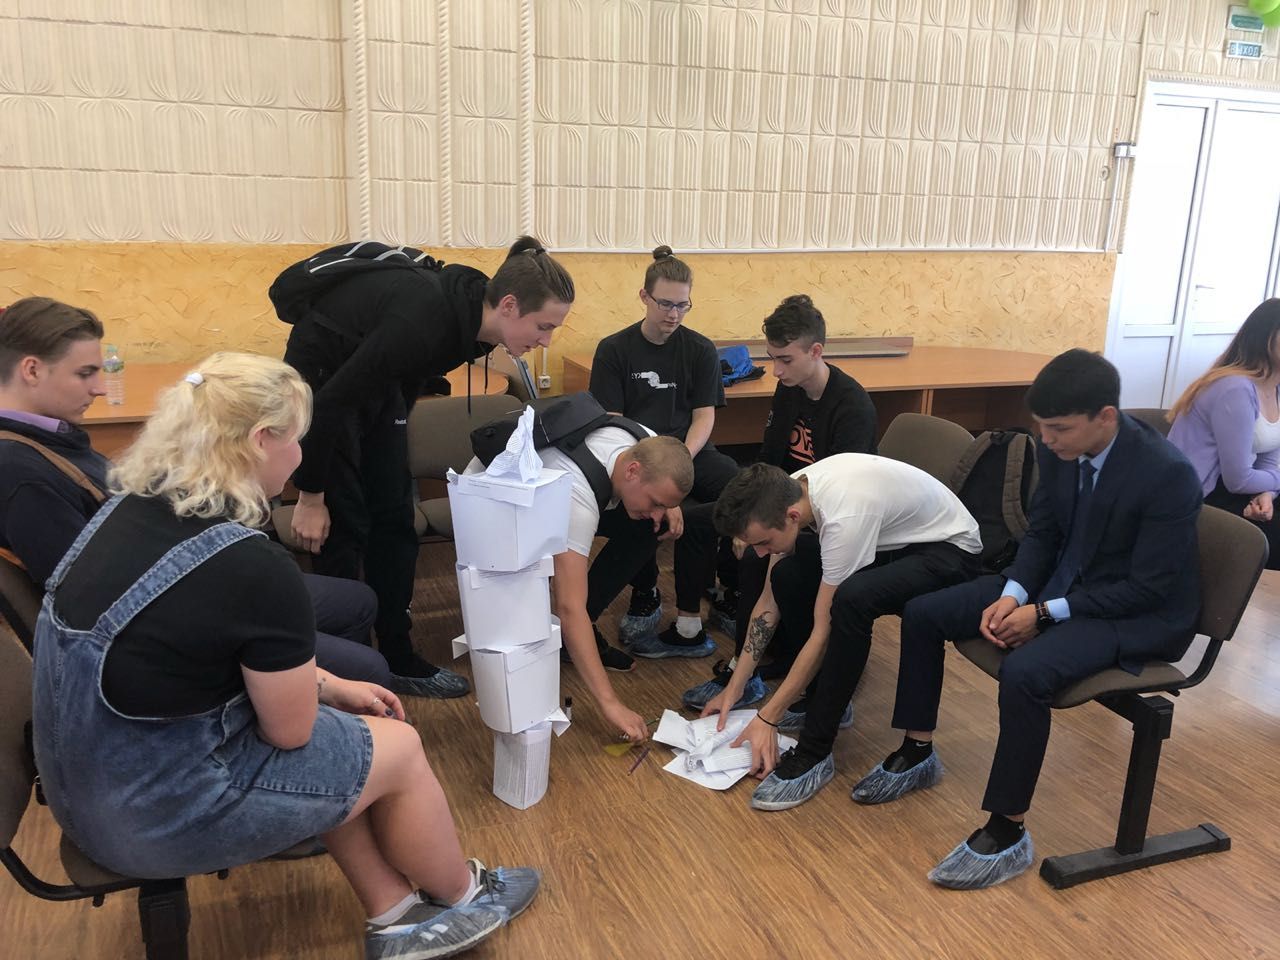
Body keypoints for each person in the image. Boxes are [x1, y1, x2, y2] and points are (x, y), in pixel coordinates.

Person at [32, 353, 541, 960]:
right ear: (259, 440)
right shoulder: (251, 564)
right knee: (398, 747)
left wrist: (327, 684)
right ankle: (463, 894)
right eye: (297, 440)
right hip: (154, 817)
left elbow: (194, 658)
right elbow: (291, 732)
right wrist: (323, 694)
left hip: (84, 790)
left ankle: (396, 914)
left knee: (346, 732)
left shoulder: (127, 509)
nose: (301, 457)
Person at [851, 350, 1201, 890]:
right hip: (1061, 583)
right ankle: (918, 749)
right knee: (924, 613)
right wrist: (1015, 592)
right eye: (1043, 428)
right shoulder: (1060, 445)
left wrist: (1043, 612)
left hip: (1136, 613)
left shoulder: (1167, 474)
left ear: (1106, 417)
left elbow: (1148, 587)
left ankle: (1007, 828)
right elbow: (1043, 533)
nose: (1048, 440)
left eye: (1060, 429)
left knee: (1026, 673)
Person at [0, 297, 408, 692]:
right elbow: (88, 599)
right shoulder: (21, 472)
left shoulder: (53, 439)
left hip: (175, 583)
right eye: (85, 373)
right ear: (32, 370)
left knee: (357, 600)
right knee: (366, 667)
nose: (101, 388)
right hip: (157, 623)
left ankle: (313, 706)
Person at [273, 237, 576, 697]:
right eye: (543, 326)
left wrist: (386, 433)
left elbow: (406, 375)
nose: (546, 340)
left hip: (379, 382)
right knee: (346, 526)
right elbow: (330, 404)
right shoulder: (424, 320)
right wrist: (311, 496)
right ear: (509, 305)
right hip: (326, 380)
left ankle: (397, 654)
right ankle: (348, 670)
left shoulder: (472, 320)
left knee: (396, 521)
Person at [702, 454, 982, 811]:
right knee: (785, 575)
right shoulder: (784, 493)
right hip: (897, 540)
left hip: (951, 549)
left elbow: (824, 633)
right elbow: (767, 604)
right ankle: (822, 698)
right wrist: (735, 687)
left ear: (792, 517)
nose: (759, 551)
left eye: (763, 542)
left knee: (850, 603)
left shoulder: (844, 517)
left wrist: (768, 716)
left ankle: (815, 751)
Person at [681, 294, 878, 711]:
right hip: (784, 506)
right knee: (700, 523)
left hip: (827, 520)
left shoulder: (852, 405)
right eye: (772, 359)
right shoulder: (789, 389)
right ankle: (728, 647)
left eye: (785, 359)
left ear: (816, 351)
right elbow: (769, 459)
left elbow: (839, 492)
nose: (777, 370)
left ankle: (751, 671)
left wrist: (760, 529)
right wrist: (749, 518)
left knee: (759, 559)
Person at [468, 430, 693, 740]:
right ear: (632, 470)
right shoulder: (575, 499)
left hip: (556, 488)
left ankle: (580, 634)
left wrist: (669, 504)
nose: (657, 510)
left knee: (652, 524)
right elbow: (568, 607)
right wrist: (611, 704)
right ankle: (561, 643)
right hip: (489, 503)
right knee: (555, 610)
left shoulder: (646, 443)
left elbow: (662, 466)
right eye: (655, 501)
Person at [588, 246, 737, 659]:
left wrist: (681, 460)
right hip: (637, 453)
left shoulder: (700, 349)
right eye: (665, 304)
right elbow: (614, 425)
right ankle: (646, 591)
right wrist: (661, 472)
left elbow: (704, 417)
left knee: (740, 492)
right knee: (642, 513)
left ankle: (729, 590)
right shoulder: (614, 350)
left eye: (682, 305)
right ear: (644, 297)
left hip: (689, 451)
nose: (674, 314)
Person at [1169, 298, 1280, 567]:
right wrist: (1270, 485)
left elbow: (1271, 457)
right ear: (1266, 337)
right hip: (1198, 496)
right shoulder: (1235, 389)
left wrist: (1268, 492)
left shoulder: (1276, 387)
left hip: (1237, 486)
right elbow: (1238, 480)